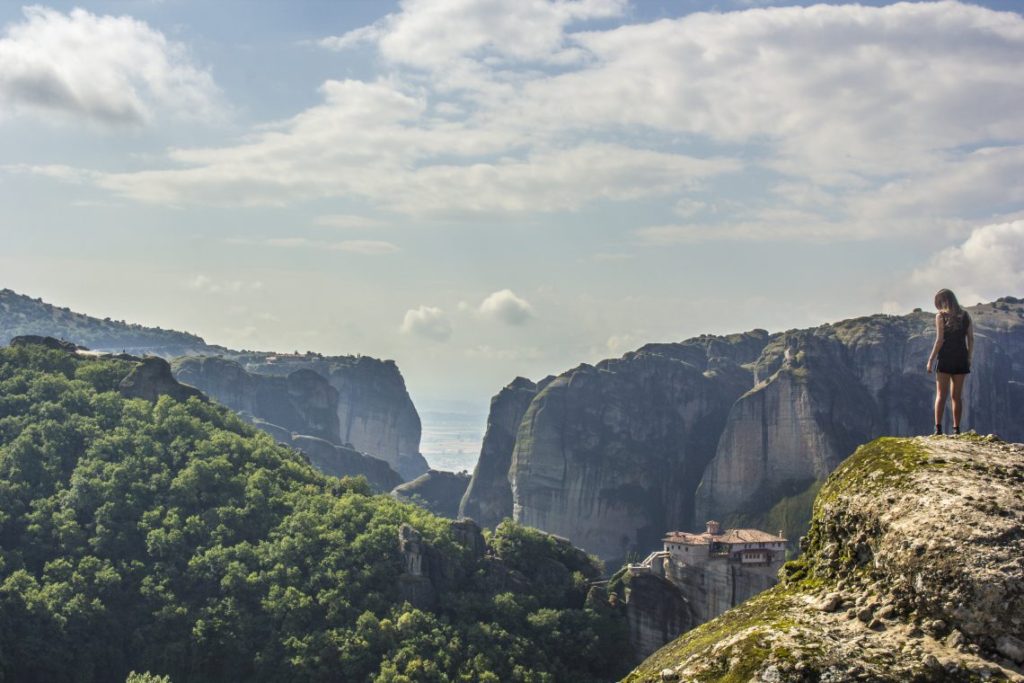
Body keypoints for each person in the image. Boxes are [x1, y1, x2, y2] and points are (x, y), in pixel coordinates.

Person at [926, 289, 973, 435]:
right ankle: (956, 429)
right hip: (961, 358)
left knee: (941, 395)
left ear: (942, 301)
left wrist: (930, 360)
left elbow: (940, 340)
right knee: (956, 397)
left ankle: (938, 429)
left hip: (945, 358)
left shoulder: (940, 316)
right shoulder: (966, 316)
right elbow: (970, 339)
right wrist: (969, 358)